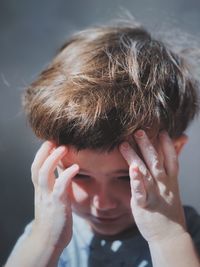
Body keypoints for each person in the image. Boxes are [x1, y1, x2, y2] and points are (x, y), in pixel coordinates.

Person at [4, 20, 200, 267]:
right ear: (50, 157)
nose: (102, 203)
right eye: (80, 176)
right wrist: (47, 243)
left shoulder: (187, 238)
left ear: (173, 153)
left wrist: (168, 237)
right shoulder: (44, 237)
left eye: (127, 178)